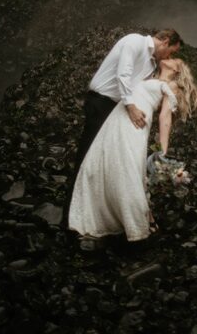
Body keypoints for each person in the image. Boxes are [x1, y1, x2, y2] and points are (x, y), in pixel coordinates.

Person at [68, 56, 197, 241]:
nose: (169, 58)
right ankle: (104, 216)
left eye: (175, 59)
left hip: (135, 126)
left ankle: (140, 224)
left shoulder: (171, 86)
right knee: (101, 164)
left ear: (177, 70)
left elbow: (165, 118)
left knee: (128, 169)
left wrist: (162, 151)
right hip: (115, 121)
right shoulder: (148, 77)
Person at [62, 28, 182, 226]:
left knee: (104, 162)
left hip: (116, 110)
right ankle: (72, 218)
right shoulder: (134, 42)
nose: (170, 56)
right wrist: (131, 107)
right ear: (165, 41)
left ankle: (105, 214)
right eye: (171, 51)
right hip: (102, 102)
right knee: (87, 160)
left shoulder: (152, 63)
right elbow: (123, 75)